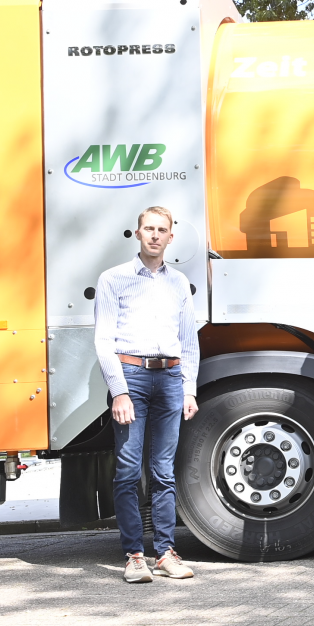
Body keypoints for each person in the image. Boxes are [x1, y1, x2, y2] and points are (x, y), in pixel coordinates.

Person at [93, 206, 201, 585]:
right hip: (132, 376)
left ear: (171, 237)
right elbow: (104, 340)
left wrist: (189, 389)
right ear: (137, 234)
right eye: (148, 229)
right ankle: (134, 555)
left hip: (170, 379)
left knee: (163, 472)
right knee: (127, 469)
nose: (155, 235)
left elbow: (189, 342)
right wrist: (118, 391)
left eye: (162, 230)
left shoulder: (179, 282)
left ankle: (166, 553)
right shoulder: (114, 279)